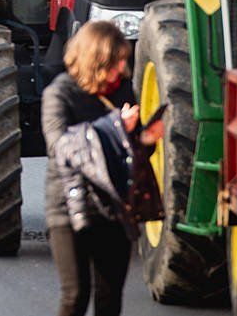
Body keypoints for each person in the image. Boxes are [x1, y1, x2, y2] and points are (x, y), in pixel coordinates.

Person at [42, 20, 164, 316]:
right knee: (76, 294)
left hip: (113, 207)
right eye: (116, 62)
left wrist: (144, 138)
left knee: (110, 299)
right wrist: (117, 126)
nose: (122, 69)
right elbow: (61, 147)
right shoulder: (60, 93)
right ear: (96, 60)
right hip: (70, 207)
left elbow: (127, 149)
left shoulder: (121, 90)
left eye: (123, 61)